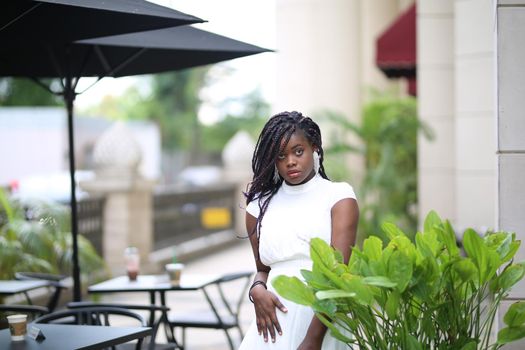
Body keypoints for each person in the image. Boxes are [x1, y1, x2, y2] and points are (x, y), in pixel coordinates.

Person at [239, 111, 359, 349]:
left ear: (314, 148)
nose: (290, 162)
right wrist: (257, 290)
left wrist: (313, 339)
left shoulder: (338, 197)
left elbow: (337, 276)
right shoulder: (258, 208)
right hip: (273, 328)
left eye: (298, 151)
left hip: (322, 324)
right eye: (281, 156)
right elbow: (263, 270)